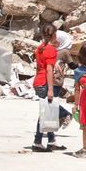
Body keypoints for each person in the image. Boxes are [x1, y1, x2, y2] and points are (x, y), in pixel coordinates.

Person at [32, 23, 62, 152]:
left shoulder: (40, 48)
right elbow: (49, 70)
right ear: (54, 34)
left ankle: (51, 140)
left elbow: (44, 64)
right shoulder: (50, 49)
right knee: (47, 112)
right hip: (45, 83)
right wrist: (50, 89)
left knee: (48, 111)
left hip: (38, 81)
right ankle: (37, 141)